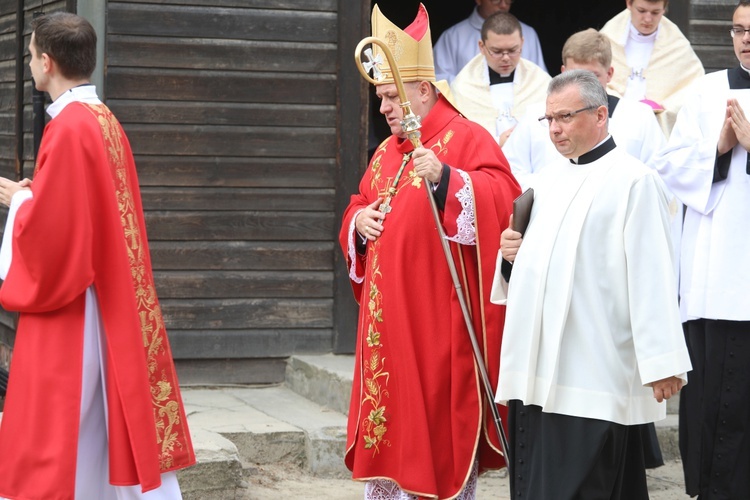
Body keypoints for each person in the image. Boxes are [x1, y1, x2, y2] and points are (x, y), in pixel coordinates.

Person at [0, 12, 195, 499]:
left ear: (47, 63)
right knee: (97, 428)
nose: (29, 66)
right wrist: (39, 192)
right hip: (107, 296)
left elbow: (55, 239)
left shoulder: (68, 128)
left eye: (29, 56)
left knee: (63, 431)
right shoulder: (103, 119)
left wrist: (20, 202)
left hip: (77, 306)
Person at [342, 4, 521, 499]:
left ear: (424, 91)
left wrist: (449, 180)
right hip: (387, 328)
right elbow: (359, 201)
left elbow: (504, 199)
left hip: (438, 327)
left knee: (435, 443)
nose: (383, 110)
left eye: (390, 98)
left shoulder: (466, 138)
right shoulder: (385, 152)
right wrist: (358, 221)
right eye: (379, 99)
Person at [491, 69, 691, 499]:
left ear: (601, 115)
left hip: (594, 372)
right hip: (538, 373)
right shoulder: (544, 182)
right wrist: (510, 258)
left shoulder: (634, 181)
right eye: (548, 120)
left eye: (565, 117)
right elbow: (533, 271)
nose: (555, 129)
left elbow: (652, 274)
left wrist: (662, 362)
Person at [654, 2, 750, 497]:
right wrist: (718, 148)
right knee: (713, 394)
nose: (744, 39)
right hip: (714, 276)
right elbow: (668, 164)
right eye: (737, 30)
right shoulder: (708, 91)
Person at [600, 0, 704, 135]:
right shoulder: (608, 37)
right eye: (641, 11)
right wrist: (620, 104)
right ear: (629, 4)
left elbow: (695, 85)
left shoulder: (677, 44)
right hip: (615, 121)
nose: (648, 19)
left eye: (655, 12)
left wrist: (665, 106)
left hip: (656, 127)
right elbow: (593, 79)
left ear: (664, 9)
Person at [451, 12, 551, 147]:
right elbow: (460, 135)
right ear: (482, 46)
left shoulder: (539, 80)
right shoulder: (463, 85)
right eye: (497, 51)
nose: (505, 58)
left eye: (513, 50)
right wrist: (498, 142)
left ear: (522, 42)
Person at [433, 0, 546, 84]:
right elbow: (438, 81)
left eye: (508, 0)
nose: (503, 4)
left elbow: (541, 80)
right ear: (481, 46)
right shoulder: (453, 37)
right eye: (496, 0)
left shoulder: (528, 33)